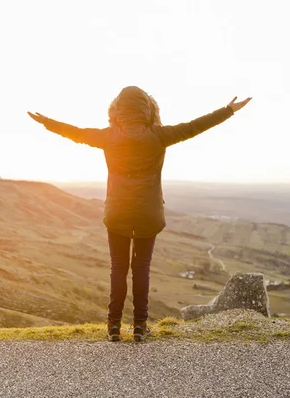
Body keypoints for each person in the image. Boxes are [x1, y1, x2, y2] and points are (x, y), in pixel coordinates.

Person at [28, 86, 251, 342]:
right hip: (149, 212)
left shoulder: (108, 136)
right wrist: (228, 111)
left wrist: (46, 122)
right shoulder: (159, 135)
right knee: (142, 268)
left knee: (118, 268)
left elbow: (75, 133)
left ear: (116, 111)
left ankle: (113, 327)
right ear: (148, 110)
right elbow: (195, 126)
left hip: (117, 212)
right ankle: (139, 326)